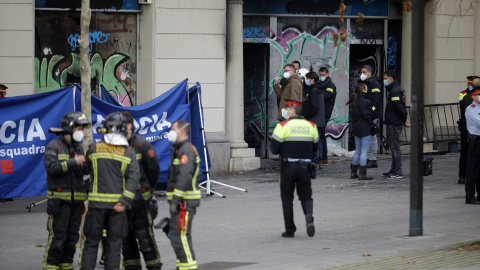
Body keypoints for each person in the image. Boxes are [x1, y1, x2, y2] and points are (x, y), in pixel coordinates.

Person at [79, 112, 140, 270]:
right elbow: (134, 179)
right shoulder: (129, 152)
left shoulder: (94, 148)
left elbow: (86, 169)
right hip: (117, 207)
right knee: (114, 245)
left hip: (96, 206)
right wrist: (124, 201)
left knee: (91, 244)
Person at [42, 111, 90, 270]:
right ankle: (51, 265)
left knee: (72, 237)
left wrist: (88, 164)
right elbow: (51, 168)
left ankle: (66, 264)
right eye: (79, 128)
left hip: (76, 201)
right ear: (69, 128)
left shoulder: (79, 147)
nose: (80, 132)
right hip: (59, 201)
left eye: (82, 128)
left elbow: (82, 172)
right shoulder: (54, 146)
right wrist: (73, 162)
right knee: (58, 236)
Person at [270, 99, 319, 238]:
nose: (285, 110)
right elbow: (316, 148)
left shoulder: (283, 125)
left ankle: (290, 230)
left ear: (293, 111)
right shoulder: (312, 125)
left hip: (288, 168)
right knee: (306, 196)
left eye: (287, 108)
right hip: (305, 167)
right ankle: (308, 215)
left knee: (287, 198)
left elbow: (274, 149)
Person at [121, 112, 162, 270]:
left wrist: (147, 192)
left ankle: (154, 266)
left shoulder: (142, 144)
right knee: (126, 239)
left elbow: (154, 170)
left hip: (140, 202)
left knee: (145, 238)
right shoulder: (115, 145)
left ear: (129, 126)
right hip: (123, 202)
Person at [166, 120, 201, 270]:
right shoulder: (179, 149)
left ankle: (188, 267)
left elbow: (184, 177)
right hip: (181, 201)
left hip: (184, 202)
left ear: (181, 131)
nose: (171, 132)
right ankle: (182, 266)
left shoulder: (186, 150)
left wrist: (175, 200)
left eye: (173, 129)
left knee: (181, 236)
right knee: (176, 235)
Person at [382, 70, 410, 179]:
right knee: (394, 147)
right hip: (395, 121)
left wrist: (404, 118)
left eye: (385, 79)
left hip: (394, 122)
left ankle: (397, 171)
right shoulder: (397, 90)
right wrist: (404, 118)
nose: (384, 81)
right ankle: (393, 169)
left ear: (390, 79)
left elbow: (399, 107)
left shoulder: (394, 91)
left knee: (395, 147)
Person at [347, 83, 374, 180]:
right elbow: (368, 115)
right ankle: (362, 173)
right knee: (364, 151)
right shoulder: (366, 102)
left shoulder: (354, 101)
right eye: (366, 88)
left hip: (357, 128)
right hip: (365, 128)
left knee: (358, 151)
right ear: (363, 90)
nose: (367, 89)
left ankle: (353, 173)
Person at [359, 65, 382, 168]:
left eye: (364, 72)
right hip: (366, 115)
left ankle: (373, 159)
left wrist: (370, 112)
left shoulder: (374, 84)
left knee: (372, 137)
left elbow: (376, 102)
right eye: (362, 72)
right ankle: (369, 157)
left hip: (372, 115)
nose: (362, 74)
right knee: (367, 136)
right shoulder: (364, 83)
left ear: (370, 73)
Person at [458, 76, 478, 184]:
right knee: (466, 151)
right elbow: (463, 104)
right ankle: (463, 175)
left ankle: (465, 175)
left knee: (467, 152)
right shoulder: (465, 95)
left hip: (469, 127)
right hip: (467, 127)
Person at [304, 71, 326, 169]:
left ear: (312, 80)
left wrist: (307, 115)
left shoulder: (313, 90)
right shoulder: (320, 88)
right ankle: (319, 161)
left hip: (315, 119)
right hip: (320, 119)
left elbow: (314, 107)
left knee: (315, 142)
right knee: (318, 140)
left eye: (307, 78)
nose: (306, 81)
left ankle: (315, 162)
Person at [318, 67, 337, 166]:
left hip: (325, 113)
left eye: (323, 75)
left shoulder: (330, 86)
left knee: (320, 135)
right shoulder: (320, 84)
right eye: (320, 75)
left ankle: (322, 157)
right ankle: (324, 157)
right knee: (321, 135)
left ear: (327, 74)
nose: (321, 77)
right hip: (320, 113)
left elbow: (324, 96)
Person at [464, 87, 480, 205]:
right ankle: (469, 196)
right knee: (473, 170)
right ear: (473, 96)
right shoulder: (471, 109)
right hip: (476, 141)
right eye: (478, 94)